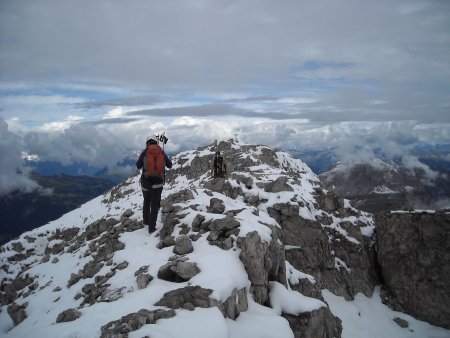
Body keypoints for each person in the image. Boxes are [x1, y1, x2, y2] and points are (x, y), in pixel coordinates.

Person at [136, 137, 172, 233]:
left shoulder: (145, 151)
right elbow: (170, 165)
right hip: (158, 183)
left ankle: (146, 221)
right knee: (155, 205)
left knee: (147, 201)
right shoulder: (161, 151)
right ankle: (152, 228)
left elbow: (138, 165)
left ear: (147, 143)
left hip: (146, 183)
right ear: (156, 142)